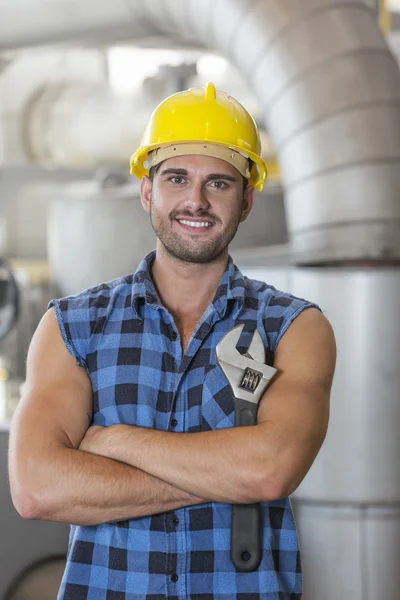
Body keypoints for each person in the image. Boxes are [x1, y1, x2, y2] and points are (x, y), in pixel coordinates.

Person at [8, 82, 336, 599]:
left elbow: (269, 471)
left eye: (220, 184)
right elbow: (36, 487)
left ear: (247, 199)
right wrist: (225, 474)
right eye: (177, 178)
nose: (196, 201)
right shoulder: (73, 326)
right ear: (147, 191)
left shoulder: (294, 327)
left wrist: (113, 443)